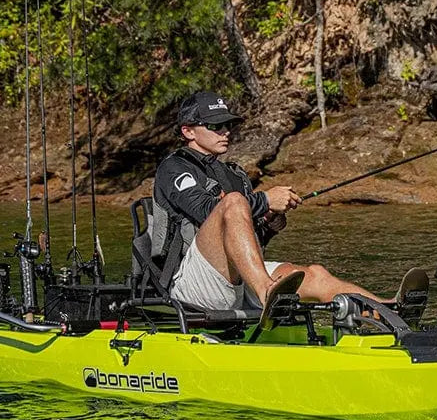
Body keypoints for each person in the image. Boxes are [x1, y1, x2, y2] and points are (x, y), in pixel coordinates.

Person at [151, 91, 392, 315]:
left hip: (242, 278)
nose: (225, 131)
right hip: (191, 285)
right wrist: (265, 199)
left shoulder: (233, 174)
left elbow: (248, 238)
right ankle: (268, 292)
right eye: (215, 126)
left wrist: (269, 221)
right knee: (234, 202)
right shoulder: (174, 168)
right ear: (188, 132)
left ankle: (388, 312)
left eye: (228, 125)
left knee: (316, 274)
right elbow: (206, 210)